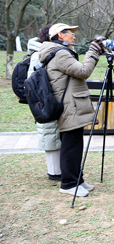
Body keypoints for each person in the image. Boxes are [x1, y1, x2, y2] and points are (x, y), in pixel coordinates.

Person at [39, 23, 104, 197]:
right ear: (60, 35)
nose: (74, 36)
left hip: (70, 104)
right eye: (70, 33)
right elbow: (83, 71)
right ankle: (68, 184)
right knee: (70, 146)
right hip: (69, 106)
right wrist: (93, 52)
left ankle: (77, 180)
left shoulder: (57, 52)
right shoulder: (60, 53)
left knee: (75, 144)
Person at [27, 24, 62, 181]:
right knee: (50, 134)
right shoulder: (40, 54)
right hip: (44, 99)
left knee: (52, 134)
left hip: (47, 99)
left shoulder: (41, 52)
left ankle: (57, 170)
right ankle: (54, 172)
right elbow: (36, 80)